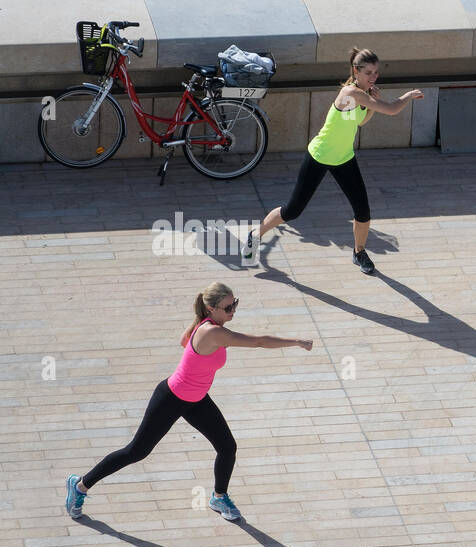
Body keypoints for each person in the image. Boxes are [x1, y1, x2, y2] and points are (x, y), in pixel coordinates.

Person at [65, 282, 313, 522]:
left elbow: (184, 342)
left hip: (197, 399)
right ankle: (80, 485)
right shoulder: (212, 331)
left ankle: (219, 497)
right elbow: (258, 341)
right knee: (136, 451)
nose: (233, 310)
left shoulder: (205, 324)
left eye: (234, 304)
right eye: (228, 307)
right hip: (172, 398)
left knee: (227, 447)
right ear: (211, 309)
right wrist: (296, 342)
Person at [244, 47, 424, 275]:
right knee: (292, 211)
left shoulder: (362, 95)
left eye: (376, 72)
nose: (373, 77)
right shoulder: (351, 93)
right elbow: (391, 109)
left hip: (344, 158)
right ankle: (255, 235)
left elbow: (360, 122)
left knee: (363, 212)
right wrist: (407, 96)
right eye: (368, 72)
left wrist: (371, 105)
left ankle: (359, 253)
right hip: (320, 156)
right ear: (356, 71)